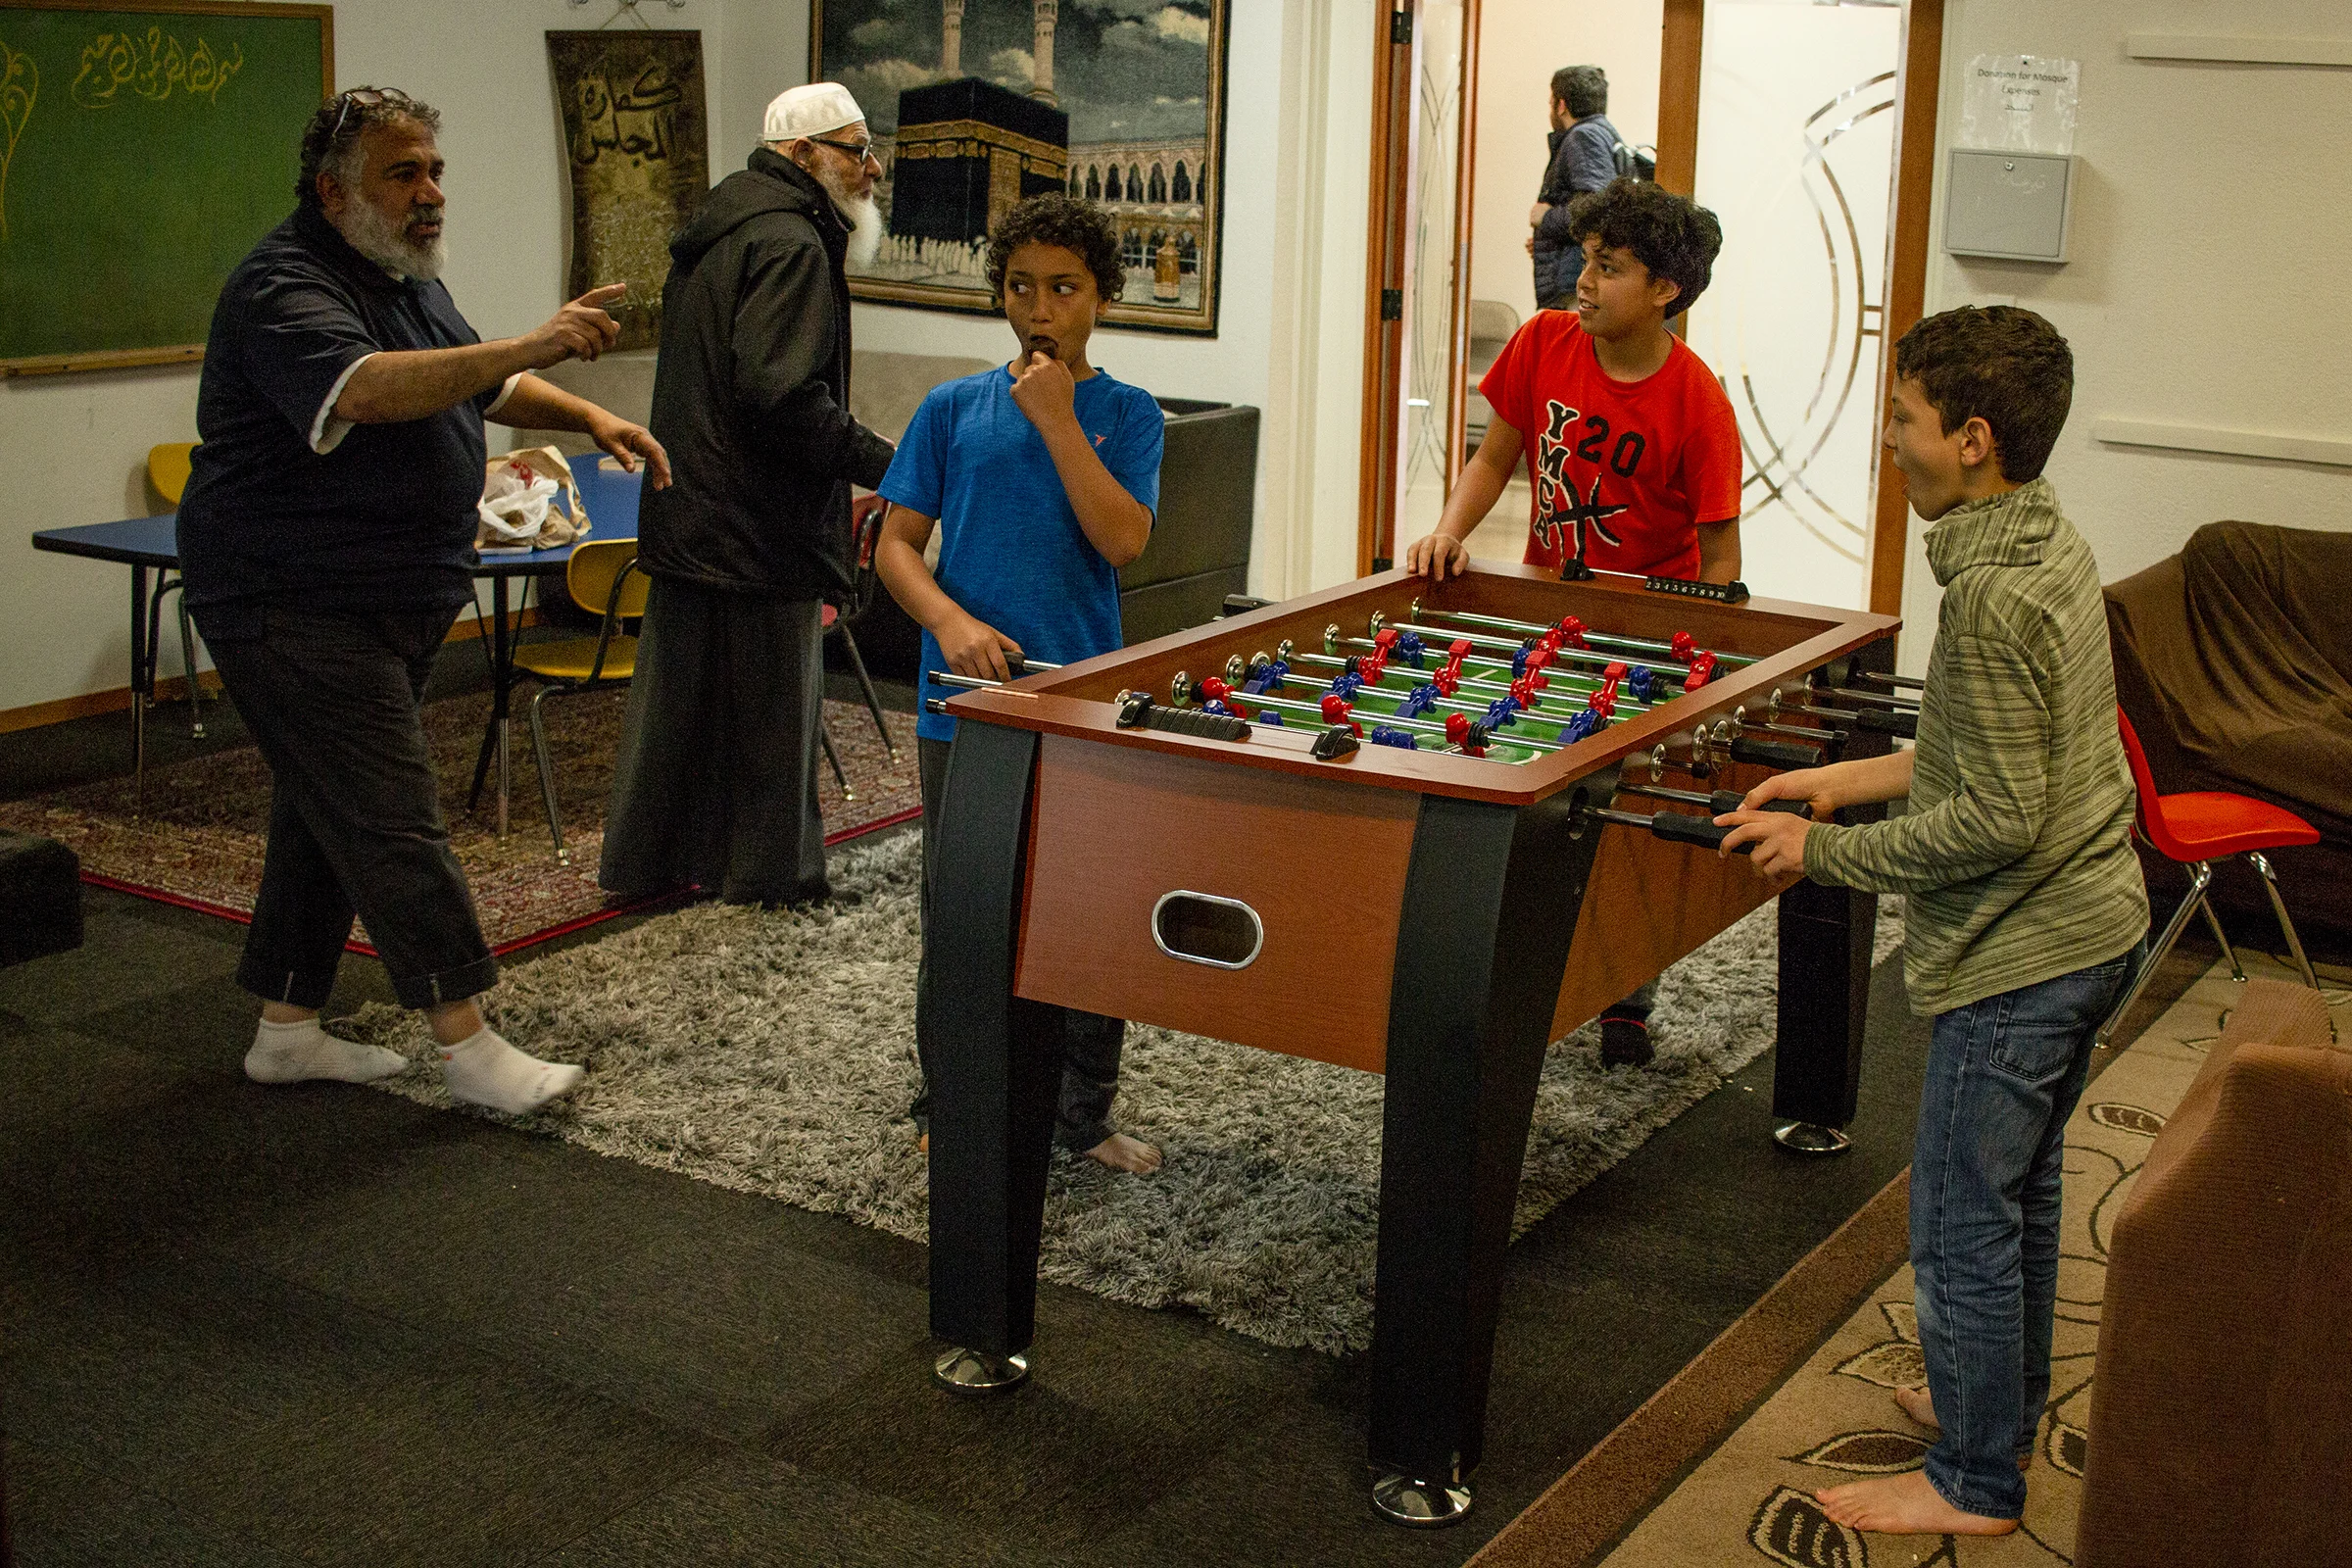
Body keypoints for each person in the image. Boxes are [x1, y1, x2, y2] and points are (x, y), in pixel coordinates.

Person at [1718, 306, 2149, 1538]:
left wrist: (1824, 851)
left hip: (2027, 956)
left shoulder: (1994, 599)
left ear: (1972, 438)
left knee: (1960, 1218)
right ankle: (1991, 1411)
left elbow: (1997, 819)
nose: (1887, 438)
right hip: (2095, 926)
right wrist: (1842, 780)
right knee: (2019, 1194)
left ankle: (1974, 1480)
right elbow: (1987, 755)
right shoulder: (2045, 539)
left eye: (1903, 417)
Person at [176, 87, 670, 1113]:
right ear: (333, 191)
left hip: (381, 595)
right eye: (403, 174)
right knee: (393, 818)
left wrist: (586, 414)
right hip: (289, 599)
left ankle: (285, 1031)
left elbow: (477, 382)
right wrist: (532, 343)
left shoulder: (401, 275)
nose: (430, 192)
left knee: (327, 810)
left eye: (434, 170)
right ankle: (469, 1043)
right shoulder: (283, 286)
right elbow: (365, 389)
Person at [1405, 177, 1740, 1067]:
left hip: (1648, 638)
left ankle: (1628, 991)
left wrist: (1699, 673)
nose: (1583, 282)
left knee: (1623, 818)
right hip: (1548, 618)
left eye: (1610, 268)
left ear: (1666, 289)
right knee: (1530, 789)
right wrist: (1448, 531)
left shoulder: (1698, 402)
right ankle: (1514, 966)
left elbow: (1722, 558)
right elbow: (1495, 457)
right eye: (1586, 261)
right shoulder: (1543, 341)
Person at [874, 195, 1165, 1174]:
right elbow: (896, 546)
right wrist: (948, 622)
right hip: (964, 708)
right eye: (1021, 287)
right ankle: (953, 1098)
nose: (1040, 309)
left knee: (1089, 910)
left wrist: (1057, 421)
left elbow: (1122, 540)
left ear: (1102, 298)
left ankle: (1080, 1115)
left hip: (1080, 701)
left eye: (1065, 289)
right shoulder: (951, 409)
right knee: (964, 906)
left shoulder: (1128, 414)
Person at [599, 82, 897, 908]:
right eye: (856, 150)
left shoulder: (722, 227)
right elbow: (781, 398)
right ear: (803, 156)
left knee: (676, 714)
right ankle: (772, 884)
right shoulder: (792, 243)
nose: (872, 169)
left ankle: (650, 870)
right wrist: (888, 462)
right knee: (772, 720)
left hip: (691, 509)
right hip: (761, 526)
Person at [1529, 65, 1622, 311]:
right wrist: (1545, 240)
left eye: (1551, 103)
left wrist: (1546, 218)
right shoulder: (1603, 134)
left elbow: (1596, 209)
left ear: (1561, 105)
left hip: (1576, 284)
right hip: (1578, 275)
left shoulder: (1583, 136)